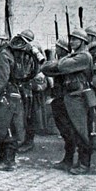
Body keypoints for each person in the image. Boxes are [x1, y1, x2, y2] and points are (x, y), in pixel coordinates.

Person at [44, 28, 95, 175]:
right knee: (69, 130)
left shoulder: (84, 57)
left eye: (75, 39)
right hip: (69, 96)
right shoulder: (73, 56)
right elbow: (46, 68)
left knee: (81, 131)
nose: (72, 41)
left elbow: (61, 66)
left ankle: (84, 163)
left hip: (79, 96)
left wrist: (60, 62)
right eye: (71, 39)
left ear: (83, 41)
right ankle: (68, 160)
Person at [0, 29, 24, 171]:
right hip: (5, 95)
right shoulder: (1, 54)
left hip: (6, 95)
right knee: (0, 127)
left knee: (7, 127)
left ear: (3, 41)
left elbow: (2, 78)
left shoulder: (3, 55)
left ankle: (8, 161)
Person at [42, 38, 76, 170]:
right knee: (65, 130)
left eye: (57, 48)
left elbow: (47, 68)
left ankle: (69, 159)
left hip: (64, 99)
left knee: (68, 130)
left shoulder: (65, 63)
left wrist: (50, 58)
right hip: (59, 98)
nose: (56, 50)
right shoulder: (64, 62)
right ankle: (68, 158)